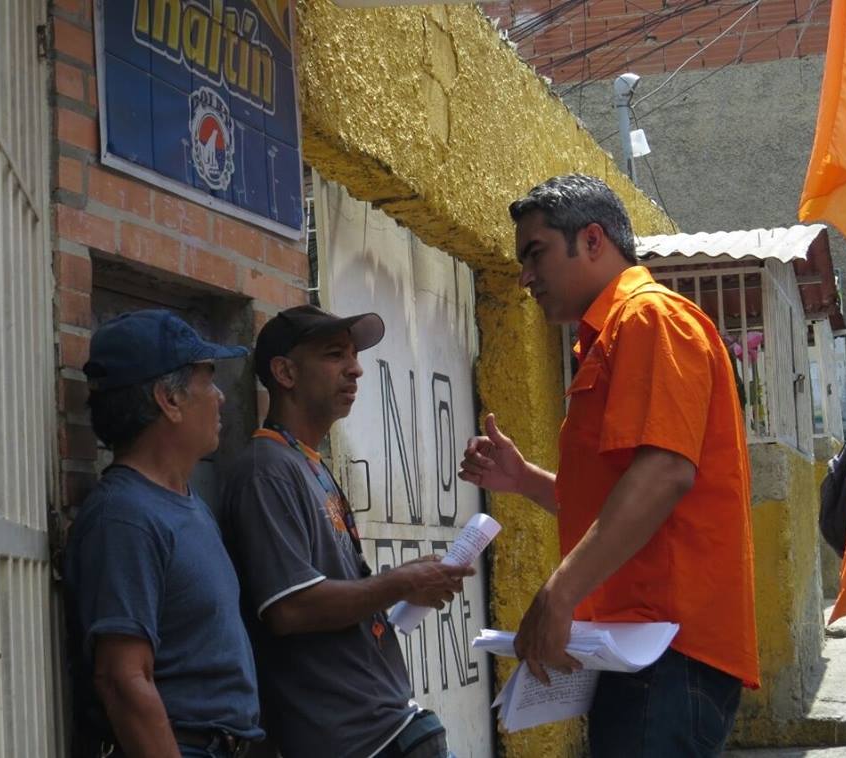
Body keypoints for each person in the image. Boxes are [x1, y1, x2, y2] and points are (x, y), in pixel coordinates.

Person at [459, 175, 760, 757]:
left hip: (667, 649)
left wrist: (559, 592)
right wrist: (522, 481)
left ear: (592, 240)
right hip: (644, 650)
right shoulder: (614, 334)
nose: (525, 276)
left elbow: (664, 474)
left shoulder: (650, 318)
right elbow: (622, 499)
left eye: (535, 253)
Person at [220, 304, 474, 758]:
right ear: (285, 372)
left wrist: (404, 581)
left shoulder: (305, 461)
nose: (355, 369)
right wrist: (398, 583)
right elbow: (289, 609)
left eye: (353, 356)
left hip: (389, 724)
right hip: (352, 739)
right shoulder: (266, 471)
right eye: (335, 355)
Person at [64, 309, 263, 758]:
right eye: (207, 381)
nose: (220, 397)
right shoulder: (124, 517)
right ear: (168, 400)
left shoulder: (185, 502)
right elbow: (122, 680)